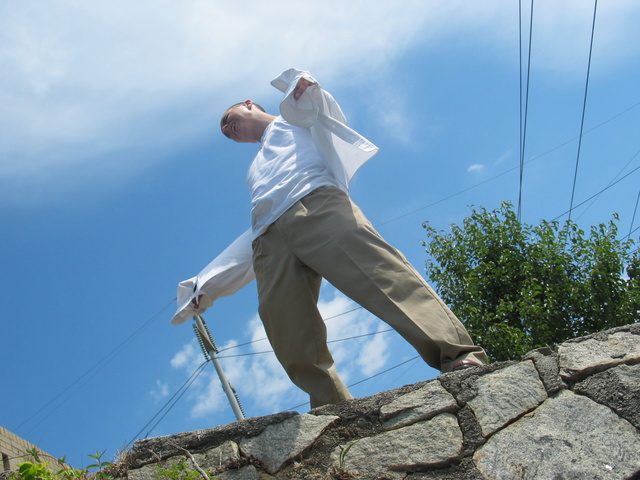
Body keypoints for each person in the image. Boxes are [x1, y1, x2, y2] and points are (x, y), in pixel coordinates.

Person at [173, 68, 488, 408]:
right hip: (268, 238)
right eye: (224, 131)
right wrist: (207, 284)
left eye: (227, 119)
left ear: (248, 104)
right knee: (286, 326)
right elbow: (257, 222)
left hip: (316, 205)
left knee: (382, 276)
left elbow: (322, 112)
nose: (226, 129)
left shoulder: (295, 117)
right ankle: (331, 407)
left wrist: (302, 87)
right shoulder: (254, 170)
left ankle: (456, 355)